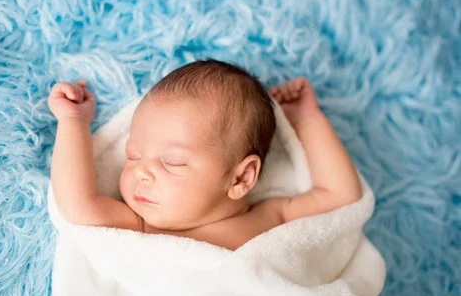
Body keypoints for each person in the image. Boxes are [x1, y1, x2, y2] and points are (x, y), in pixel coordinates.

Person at [48, 59, 362, 250]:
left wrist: (307, 120)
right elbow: (79, 204)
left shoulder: (272, 217)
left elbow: (340, 194)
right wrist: (74, 122)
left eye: (172, 162)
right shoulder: (145, 228)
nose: (140, 172)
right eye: (133, 155)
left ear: (241, 177)